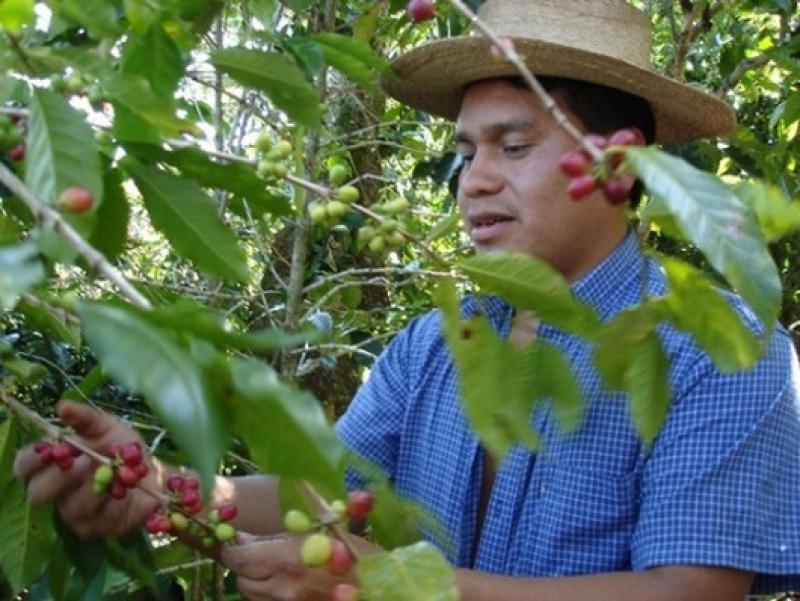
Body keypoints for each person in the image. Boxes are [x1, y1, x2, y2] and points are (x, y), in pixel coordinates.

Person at [13, 0, 800, 599]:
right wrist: (161, 484)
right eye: (464, 153)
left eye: (514, 145)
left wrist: (397, 584)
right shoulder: (434, 342)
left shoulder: (725, 349)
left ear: (618, 167)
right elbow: (336, 494)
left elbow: (687, 591)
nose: (476, 180)